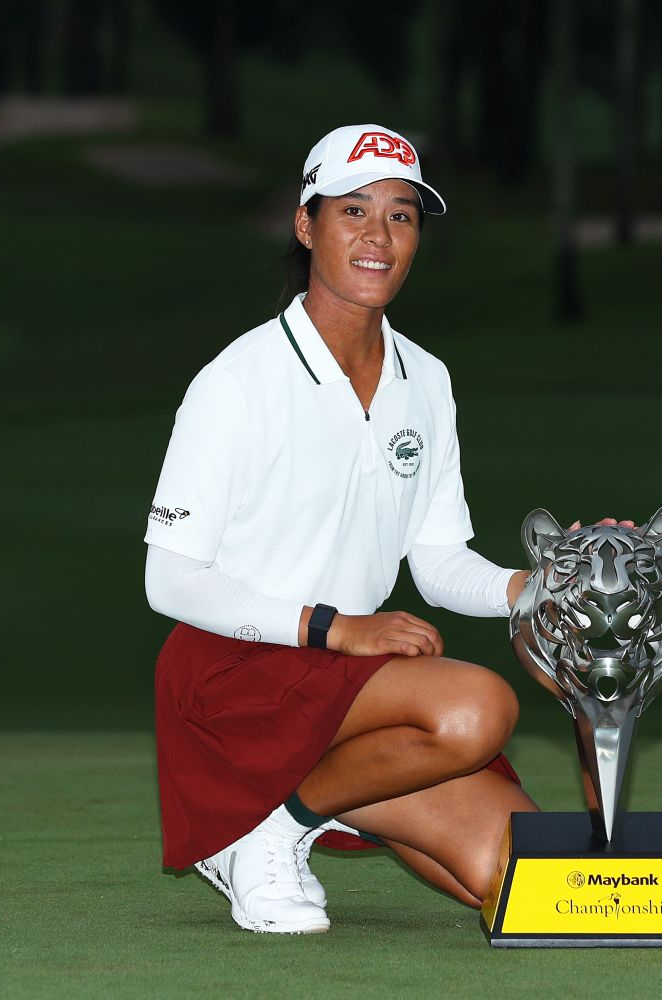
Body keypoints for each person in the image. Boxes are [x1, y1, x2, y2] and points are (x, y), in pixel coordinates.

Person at [143, 124, 544, 935]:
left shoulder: (426, 380)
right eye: (353, 210)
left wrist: (538, 590)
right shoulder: (237, 381)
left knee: (520, 877)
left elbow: (436, 561)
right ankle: (269, 829)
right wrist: (333, 628)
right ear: (306, 225)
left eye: (401, 216)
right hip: (234, 674)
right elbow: (170, 580)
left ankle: (308, 803)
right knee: (475, 710)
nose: (378, 236)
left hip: (350, 692)